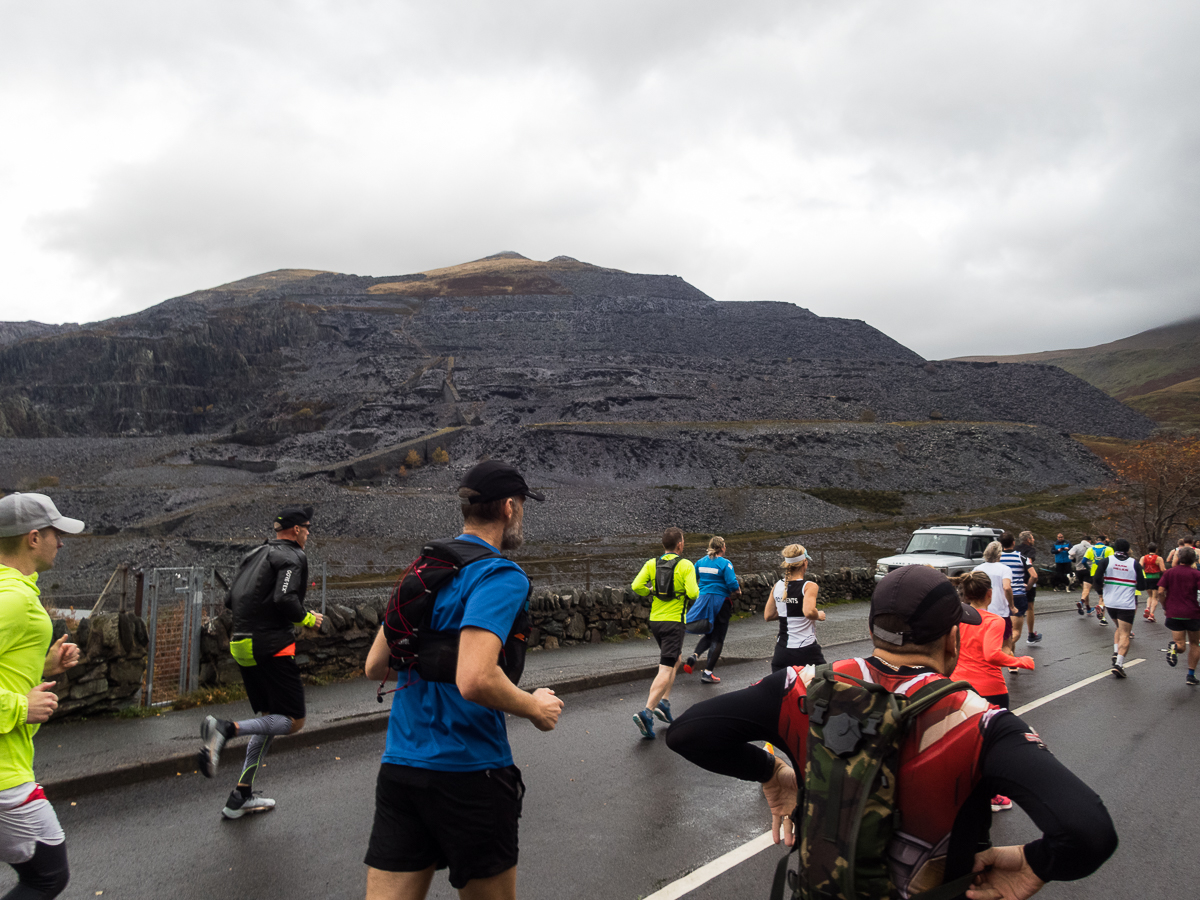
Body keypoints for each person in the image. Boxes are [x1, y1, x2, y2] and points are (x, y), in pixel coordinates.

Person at [666, 566, 1118, 900]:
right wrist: (1033, 864)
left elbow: (688, 733)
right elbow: (1089, 833)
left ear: (872, 628)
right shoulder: (981, 721)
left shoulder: (800, 688)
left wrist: (772, 772)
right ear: (951, 640)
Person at [361, 459, 562, 900]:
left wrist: (434, 662)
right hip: (472, 772)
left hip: (401, 768)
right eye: (523, 506)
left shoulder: (424, 567)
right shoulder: (499, 574)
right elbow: (475, 679)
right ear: (509, 508)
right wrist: (534, 706)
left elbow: (376, 665)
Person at [198, 505, 325, 819]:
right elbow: (285, 599)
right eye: (307, 528)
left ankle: (240, 796)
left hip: (241, 644)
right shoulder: (294, 556)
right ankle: (225, 729)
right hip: (272, 645)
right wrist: (310, 618)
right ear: (296, 530)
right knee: (292, 721)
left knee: (269, 721)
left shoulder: (254, 554)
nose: (308, 534)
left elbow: (230, 600)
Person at [0, 493, 85, 900]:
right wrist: (21, 706)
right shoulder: (13, 600)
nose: (61, 542)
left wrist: (44, 666)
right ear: (33, 538)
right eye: (55, 533)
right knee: (48, 873)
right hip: (5, 774)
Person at [949, 571, 1035, 813]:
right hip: (990, 689)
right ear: (989, 594)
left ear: (965, 594)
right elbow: (991, 654)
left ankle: (961, 788)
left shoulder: (956, 617)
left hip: (959, 686)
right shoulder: (993, 620)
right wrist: (1020, 661)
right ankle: (991, 795)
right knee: (992, 744)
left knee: (965, 740)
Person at [630, 527, 698, 739]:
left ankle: (664, 703)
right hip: (674, 623)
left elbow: (636, 586)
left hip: (656, 622)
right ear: (679, 545)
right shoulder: (685, 565)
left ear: (663, 545)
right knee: (666, 668)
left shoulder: (652, 563)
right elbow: (694, 592)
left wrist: (652, 591)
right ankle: (647, 712)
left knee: (675, 659)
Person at [682, 536, 742, 684]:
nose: (725, 548)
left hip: (703, 600)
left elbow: (693, 579)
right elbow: (732, 583)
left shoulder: (700, 562)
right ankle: (708, 673)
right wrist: (738, 592)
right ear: (721, 547)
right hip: (720, 601)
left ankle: (695, 655)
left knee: (709, 632)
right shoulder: (725, 563)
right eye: (725, 545)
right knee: (718, 638)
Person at [764, 543, 826, 672]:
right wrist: (818, 615)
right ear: (805, 562)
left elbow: (768, 615)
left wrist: (788, 609)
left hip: (782, 651)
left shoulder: (777, 586)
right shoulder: (809, 586)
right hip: (806, 650)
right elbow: (809, 612)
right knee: (825, 686)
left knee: (783, 690)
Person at [1090, 539, 1147, 678]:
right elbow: (1142, 586)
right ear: (1128, 550)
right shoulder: (1134, 563)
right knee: (1125, 633)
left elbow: (1096, 579)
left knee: (1119, 629)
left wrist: (1102, 592)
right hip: (1126, 604)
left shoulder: (1106, 561)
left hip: (1110, 603)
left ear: (1114, 548)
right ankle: (1119, 664)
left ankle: (1116, 652)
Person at [1158, 546, 1200, 685]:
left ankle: (1174, 648)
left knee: (1180, 644)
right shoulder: (1196, 574)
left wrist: (1165, 606)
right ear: (1194, 559)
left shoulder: (1169, 573)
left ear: (1179, 558)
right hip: (1193, 613)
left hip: (1174, 613)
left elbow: (1160, 592)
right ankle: (1190, 675)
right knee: (1195, 644)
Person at [998, 533, 1036, 656]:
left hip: (1001, 595)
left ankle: (1011, 664)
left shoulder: (997, 558)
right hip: (1018, 595)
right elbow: (1034, 576)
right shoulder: (1022, 557)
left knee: (1003, 628)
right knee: (1015, 631)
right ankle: (1001, 648)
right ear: (1013, 542)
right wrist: (1028, 586)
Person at [974, 541, 1017, 648]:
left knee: (983, 644)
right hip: (1000, 612)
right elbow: (1007, 587)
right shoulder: (1005, 569)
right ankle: (1010, 663)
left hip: (982, 612)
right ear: (999, 554)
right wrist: (1012, 606)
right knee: (1006, 645)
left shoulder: (977, 569)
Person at [1017, 531, 1042, 643]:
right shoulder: (1031, 550)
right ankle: (1030, 634)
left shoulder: (1015, 549)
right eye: (1032, 538)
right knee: (1030, 607)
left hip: (1015, 579)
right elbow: (1029, 563)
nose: (1033, 540)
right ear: (1028, 539)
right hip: (1027, 579)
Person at [1082, 535, 1113, 624]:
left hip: (1094, 574)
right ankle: (1101, 608)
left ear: (1096, 541)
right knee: (1105, 596)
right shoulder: (1109, 549)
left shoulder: (1090, 549)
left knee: (1100, 596)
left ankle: (1102, 619)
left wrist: (1089, 568)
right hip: (1105, 574)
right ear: (1104, 541)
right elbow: (1112, 561)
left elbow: (1084, 561)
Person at [1139, 543, 1165, 622]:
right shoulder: (1159, 558)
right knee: (1155, 597)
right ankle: (1151, 614)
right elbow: (1163, 569)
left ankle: (1147, 607)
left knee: (1150, 596)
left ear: (1148, 549)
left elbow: (1139, 567)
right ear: (1156, 550)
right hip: (1156, 578)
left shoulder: (1143, 557)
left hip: (1147, 578)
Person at [1069, 536, 1093, 604]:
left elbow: (1070, 555)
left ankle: (1088, 608)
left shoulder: (1076, 546)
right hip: (1088, 569)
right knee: (1086, 589)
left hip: (1079, 570)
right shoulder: (1091, 547)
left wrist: (1075, 559)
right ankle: (1081, 602)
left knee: (1084, 590)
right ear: (1089, 541)